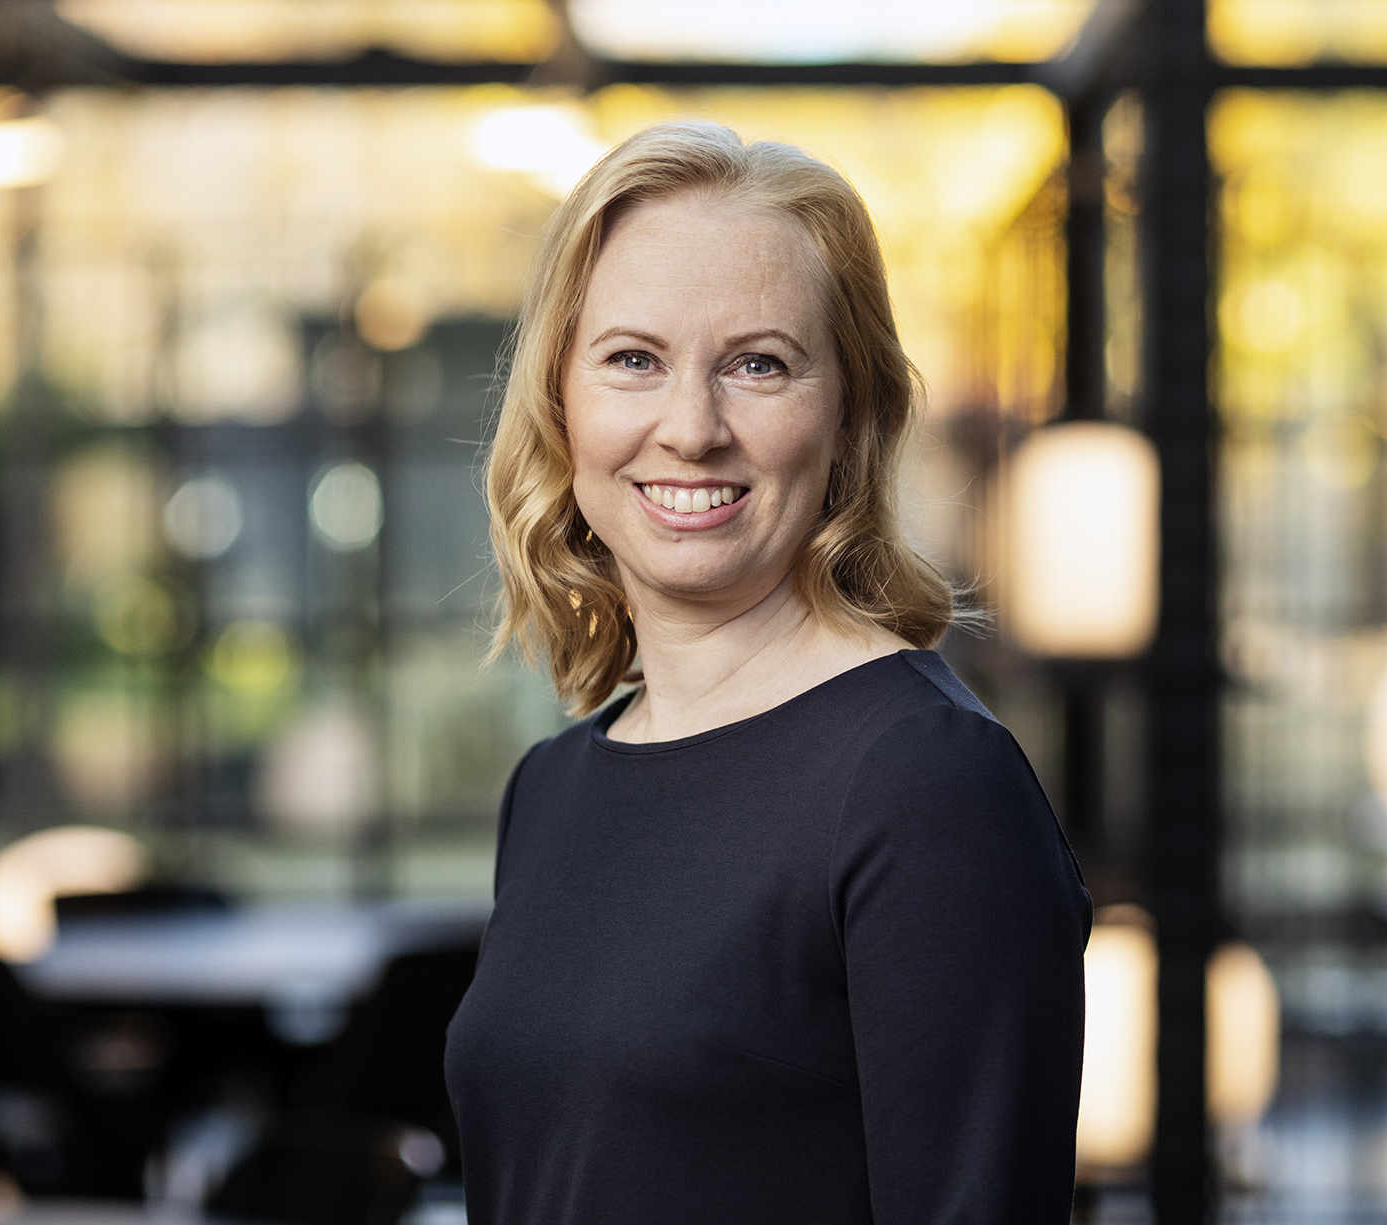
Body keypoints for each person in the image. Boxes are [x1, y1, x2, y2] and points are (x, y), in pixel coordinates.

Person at [444, 120, 1091, 1224]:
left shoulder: (928, 786)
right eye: (633, 359)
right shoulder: (550, 789)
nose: (691, 429)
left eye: (759, 365)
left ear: (850, 414)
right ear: (560, 400)